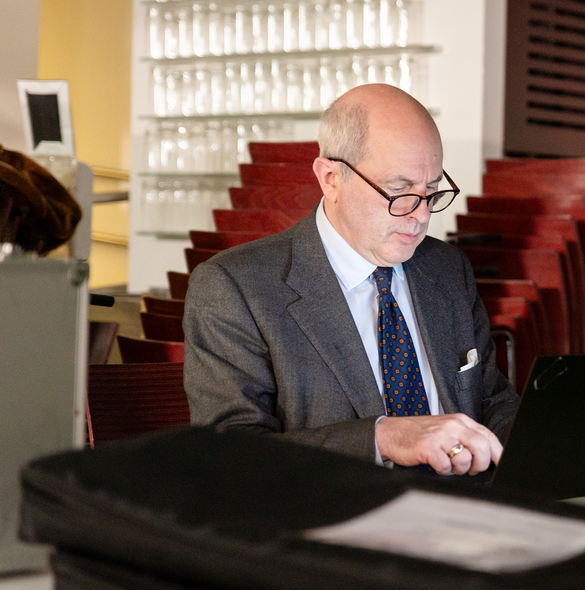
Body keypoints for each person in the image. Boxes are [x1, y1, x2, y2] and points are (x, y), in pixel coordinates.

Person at [184, 84, 518, 476]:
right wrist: (382, 438)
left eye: (430, 191)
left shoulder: (446, 268)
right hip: (332, 507)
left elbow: (491, 402)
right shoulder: (235, 288)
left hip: (463, 507)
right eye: (398, 191)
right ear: (330, 178)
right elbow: (231, 454)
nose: (422, 215)